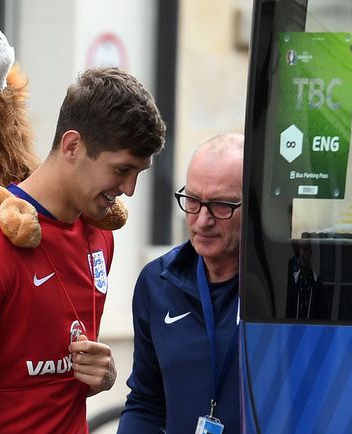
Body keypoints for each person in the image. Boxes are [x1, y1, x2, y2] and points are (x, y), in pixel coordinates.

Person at [0, 67, 166, 433]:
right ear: (72, 146)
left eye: (139, 172)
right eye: (121, 169)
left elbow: (46, 380)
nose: (129, 189)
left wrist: (101, 376)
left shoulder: (101, 236)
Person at [117, 132, 244, 433]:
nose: (202, 220)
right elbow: (146, 403)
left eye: (221, 205)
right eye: (193, 201)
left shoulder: (288, 290)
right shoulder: (156, 283)